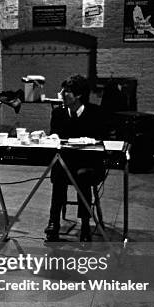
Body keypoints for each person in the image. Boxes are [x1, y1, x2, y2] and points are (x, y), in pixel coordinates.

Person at [45, 74, 107, 242]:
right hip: (66, 162)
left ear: (78, 95)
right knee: (58, 172)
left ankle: (85, 224)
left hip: (89, 164)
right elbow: (54, 136)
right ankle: (53, 222)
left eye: (67, 91)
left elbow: (102, 141)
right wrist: (51, 138)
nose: (62, 94)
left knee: (83, 175)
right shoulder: (58, 113)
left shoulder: (95, 113)